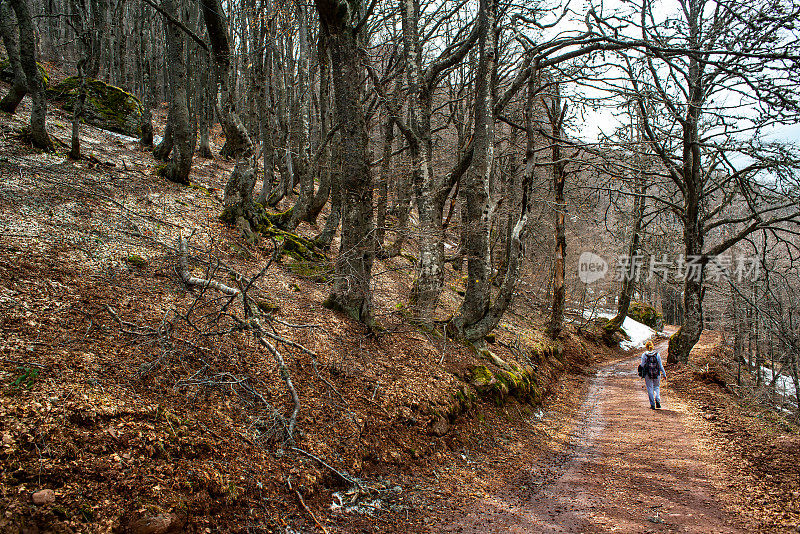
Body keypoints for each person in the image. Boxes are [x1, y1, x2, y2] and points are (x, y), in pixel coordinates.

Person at [641, 341, 667, 409]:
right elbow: (660, 365)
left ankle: (652, 404)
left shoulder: (644, 355)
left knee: (650, 388)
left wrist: (641, 373)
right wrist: (664, 374)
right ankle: (657, 399)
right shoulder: (657, 354)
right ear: (652, 346)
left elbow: (642, 365)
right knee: (656, 387)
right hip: (656, 373)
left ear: (646, 347)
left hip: (647, 374)